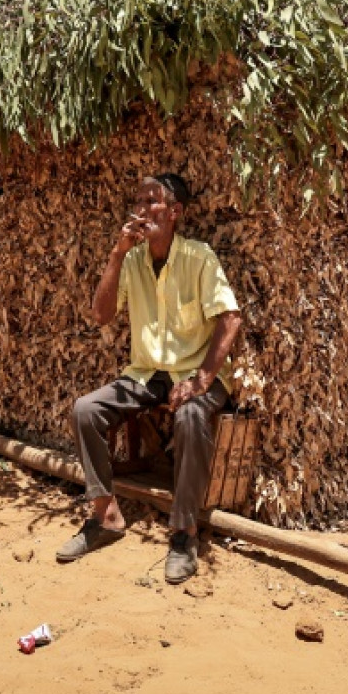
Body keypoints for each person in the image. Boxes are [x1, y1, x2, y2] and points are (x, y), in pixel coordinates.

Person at [57, 172, 243, 584]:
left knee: (191, 416)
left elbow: (230, 320)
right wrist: (116, 255)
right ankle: (106, 517)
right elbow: (102, 315)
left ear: (175, 212)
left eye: (152, 200)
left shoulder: (198, 257)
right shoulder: (133, 260)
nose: (141, 208)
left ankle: (184, 533)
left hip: (195, 372)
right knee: (86, 410)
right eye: (137, 200)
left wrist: (201, 379)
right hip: (146, 373)